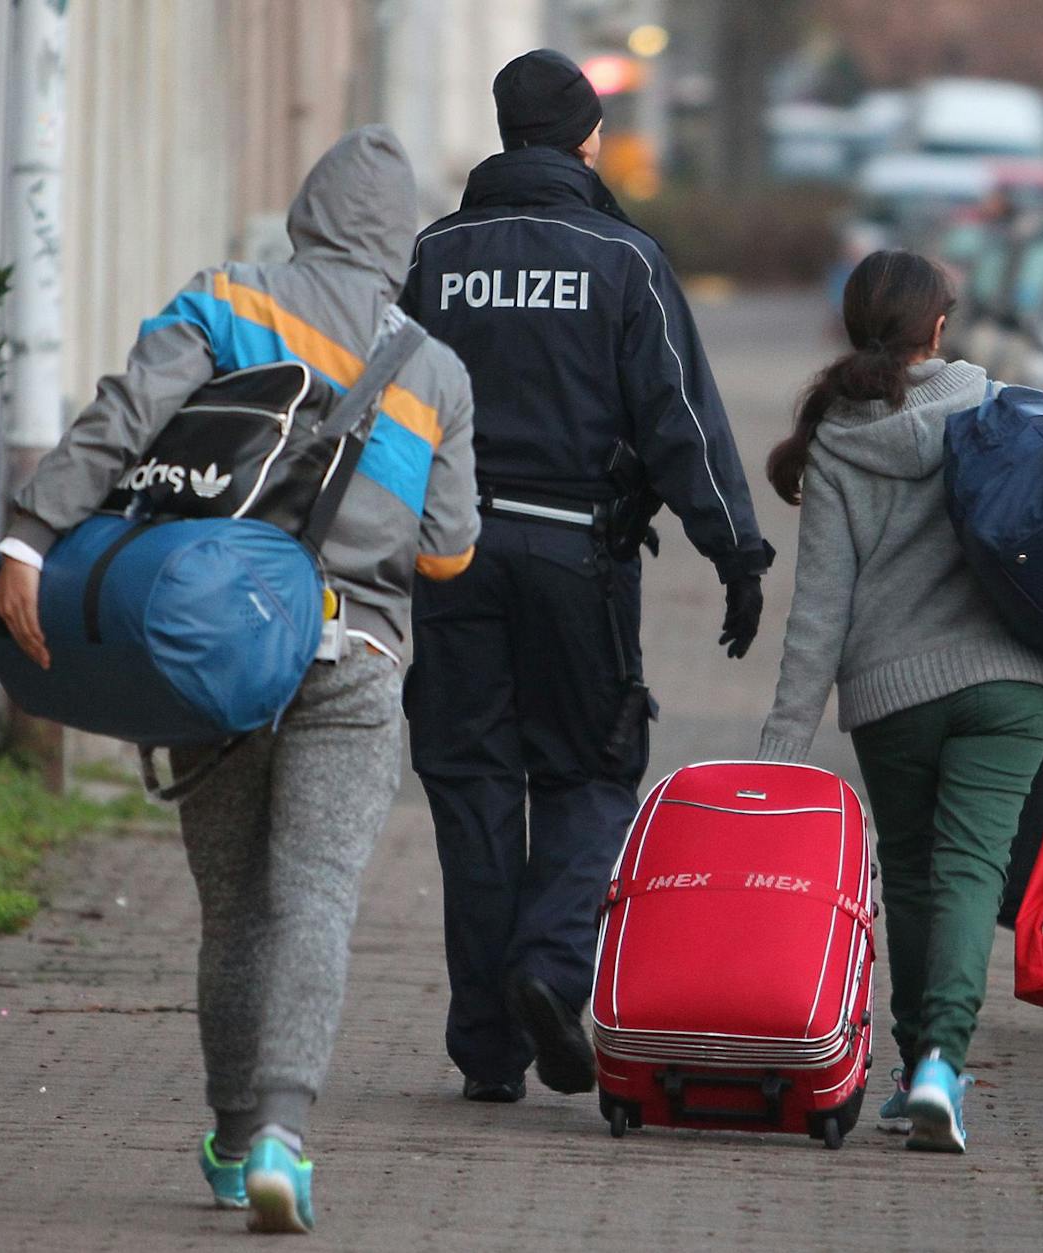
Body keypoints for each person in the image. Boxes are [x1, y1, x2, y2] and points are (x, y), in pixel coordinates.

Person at [0, 127, 478, 1234]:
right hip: (352, 658)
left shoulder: (224, 296)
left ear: (306, 210)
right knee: (313, 896)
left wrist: (29, 535)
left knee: (235, 911)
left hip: (209, 649)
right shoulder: (435, 370)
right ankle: (281, 1138)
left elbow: (122, 418)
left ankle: (223, 1131)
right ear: (400, 242)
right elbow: (448, 551)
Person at [399, 48, 774, 1105]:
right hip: (577, 556)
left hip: (452, 554)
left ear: (503, 131)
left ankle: (485, 1046)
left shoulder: (435, 254)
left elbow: (391, 408)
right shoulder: (622, 258)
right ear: (585, 138)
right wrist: (734, 551)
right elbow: (679, 419)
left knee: (472, 787)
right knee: (589, 773)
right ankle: (550, 967)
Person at [757, 250, 1043, 1154]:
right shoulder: (993, 407)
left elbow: (821, 608)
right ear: (937, 328)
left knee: (913, 875)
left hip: (891, 697)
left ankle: (915, 1058)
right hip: (1006, 687)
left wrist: (781, 748)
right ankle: (939, 1069)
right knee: (969, 873)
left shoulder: (838, 436)